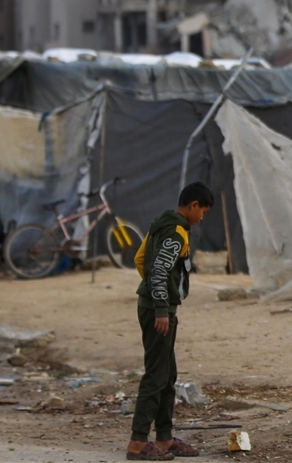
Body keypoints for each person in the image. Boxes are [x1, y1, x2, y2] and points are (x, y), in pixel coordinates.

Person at [126, 181, 213, 461]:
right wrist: (161, 306)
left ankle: (164, 438)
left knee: (168, 375)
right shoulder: (175, 232)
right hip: (158, 312)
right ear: (193, 205)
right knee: (155, 376)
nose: (202, 218)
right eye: (203, 212)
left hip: (156, 306)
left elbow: (142, 260)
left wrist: (155, 296)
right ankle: (138, 442)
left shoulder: (162, 224)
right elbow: (159, 269)